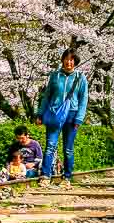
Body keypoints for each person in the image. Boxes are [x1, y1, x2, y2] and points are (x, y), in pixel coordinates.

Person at [35, 50, 90, 187]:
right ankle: (46, 176)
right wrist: (40, 114)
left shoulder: (80, 77)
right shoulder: (55, 76)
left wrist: (79, 118)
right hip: (54, 113)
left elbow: (84, 99)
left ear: (75, 62)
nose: (69, 62)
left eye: (72, 60)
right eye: (66, 59)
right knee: (50, 146)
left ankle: (67, 177)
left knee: (68, 148)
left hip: (72, 115)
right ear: (62, 60)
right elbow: (47, 96)